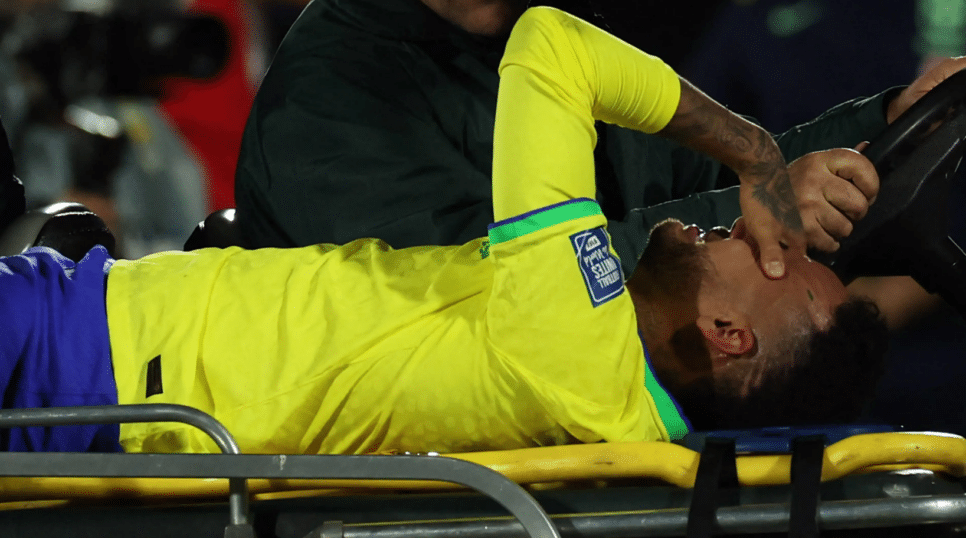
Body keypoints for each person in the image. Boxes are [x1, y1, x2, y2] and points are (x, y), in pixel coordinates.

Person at [0, 7, 887, 455]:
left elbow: (551, 46)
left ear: (727, 337)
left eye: (772, 253)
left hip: (80, 364)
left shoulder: (577, 343)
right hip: (98, 323)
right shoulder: (616, 392)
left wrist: (757, 152)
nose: (749, 224)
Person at [233, 0, 955, 276]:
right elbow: (497, 293)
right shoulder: (322, 107)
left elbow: (696, 178)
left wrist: (885, 119)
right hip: (440, 494)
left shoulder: (542, 36)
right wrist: (754, 215)